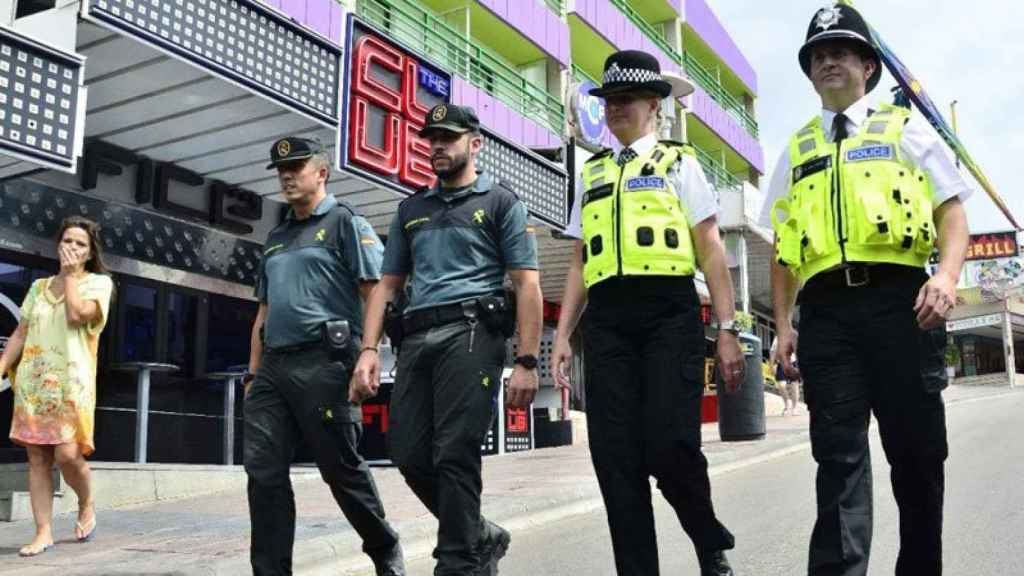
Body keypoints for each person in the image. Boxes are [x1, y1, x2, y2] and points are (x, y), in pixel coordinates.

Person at [762, 5, 971, 575]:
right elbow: (783, 250)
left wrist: (946, 277)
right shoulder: (797, 150)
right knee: (837, 461)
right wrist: (782, 326)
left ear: (868, 67)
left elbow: (952, 216)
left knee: (918, 457)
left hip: (903, 307)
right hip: (826, 314)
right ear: (809, 74)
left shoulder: (907, 130)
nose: (828, 61)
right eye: (818, 56)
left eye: (841, 52)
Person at [550, 50, 744, 576]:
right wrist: (562, 334)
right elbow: (578, 260)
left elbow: (710, 249)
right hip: (608, 319)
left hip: (668, 313)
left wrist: (727, 330)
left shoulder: (680, 162)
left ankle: (707, 539)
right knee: (614, 459)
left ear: (655, 105)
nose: (615, 109)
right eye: (609, 100)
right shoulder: (591, 172)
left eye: (626, 99)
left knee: (669, 444)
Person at [351, 103, 543, 576]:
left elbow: (527, 284)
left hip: (472, 332)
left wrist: (527, 360)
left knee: (455, 451)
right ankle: (479, 534)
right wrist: (369, 350)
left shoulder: (500, 202)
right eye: (432, 138)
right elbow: (387, 287)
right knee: (408, 454)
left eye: (449, 138)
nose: (437, 146)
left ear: (474, 144)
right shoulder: (411, 209)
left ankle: (456, 563)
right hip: (416, 339)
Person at [244, 137, 404, 576]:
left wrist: (369, 353)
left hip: (327, 361)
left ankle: (384, 544)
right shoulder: (276, 239)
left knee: (340, 469)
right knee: (263, 473)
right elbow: (264, 311)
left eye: (297, 166)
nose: (287, 175)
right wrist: (254, 375)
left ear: (322, 173)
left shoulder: (344, 223)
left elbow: (375, 294)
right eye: (281, 170)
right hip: (273, 369)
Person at [0, 216, 114, 556]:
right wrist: (3, 366)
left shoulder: (98, 284)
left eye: (80, 244)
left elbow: (77, 315)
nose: (72, 248)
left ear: (90, 252)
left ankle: (86, 501)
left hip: (71, 385)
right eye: (68, 241)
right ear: (58, 244)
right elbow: (21, 332)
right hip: (34, 385)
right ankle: (43, 532)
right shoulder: (37, 288)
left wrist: (70, 277)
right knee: (37, 458)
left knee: (67, 453)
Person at [770, 336, 801, 416]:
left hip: (793, 363)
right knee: (781, 385)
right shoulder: (777, 338)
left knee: (794, 385)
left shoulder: (795, 336)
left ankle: (795, 407)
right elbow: (773, 352)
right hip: (781, 363)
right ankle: (787, 405)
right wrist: (772, 364)